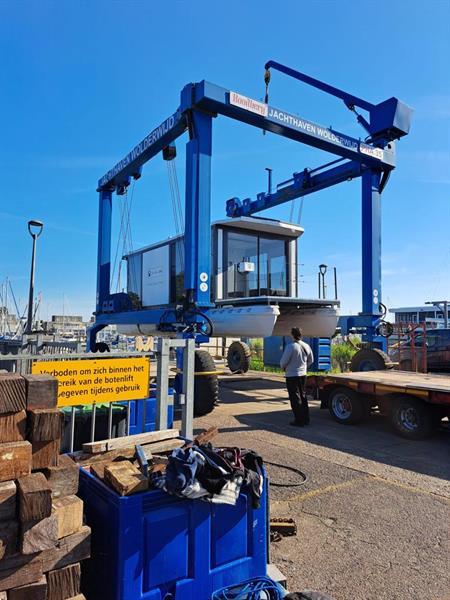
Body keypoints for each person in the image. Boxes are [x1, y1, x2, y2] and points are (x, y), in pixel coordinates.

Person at [280, 327, 314, 426]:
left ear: (292, 335)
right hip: (303, 375)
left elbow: (283, 362)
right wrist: (304, 367)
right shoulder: (306, 346)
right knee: (303, 396)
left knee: (295, 398)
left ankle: (299, 420)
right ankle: (306, 419)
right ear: (301, 335)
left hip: (292, 375)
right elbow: (311, 360)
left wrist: (284, 368)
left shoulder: (291, 347)